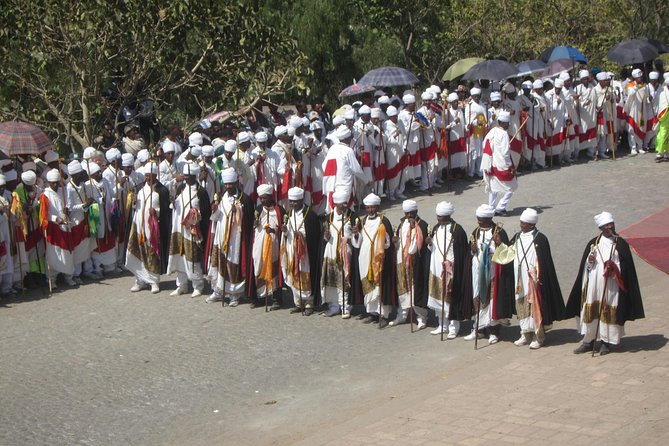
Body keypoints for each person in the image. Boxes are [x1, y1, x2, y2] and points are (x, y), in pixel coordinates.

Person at [565, 212, 644, 355]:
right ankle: (588, 341)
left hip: (611, 285)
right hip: (594, 284)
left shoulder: (620, 243)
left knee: (608, 311)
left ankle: (606, 342)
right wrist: (589, 262)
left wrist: (614, 268)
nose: (609, 227)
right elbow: (586, 267)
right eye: (606, 225)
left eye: (611, 224)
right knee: (591, 311)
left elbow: (626, 267)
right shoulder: (593, 243)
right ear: (600, 227)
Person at [492, 208, 565, 349]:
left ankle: (539, 336)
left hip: (533, 278)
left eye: (524, 223)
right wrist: (500, 243)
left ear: (531, 224)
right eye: (521, 222)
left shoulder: (540, 239)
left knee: (534, 306)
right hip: (519, 277)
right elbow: (510, 251)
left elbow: (544, 261)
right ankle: (525, 334)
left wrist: (536, 274)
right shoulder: (518, 236)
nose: (521, 225)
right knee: (521, 304)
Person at [463, 204, 514, 344]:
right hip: (477, 270)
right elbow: (471, 251)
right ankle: (478, 329)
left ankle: (493, 331)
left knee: (492, 300)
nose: (479, 221)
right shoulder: (476, 232)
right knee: (477, 298)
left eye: (482, 219)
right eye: (478, 218)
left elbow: (506, 253)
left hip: (493, 271)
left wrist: (498, 244)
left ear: (489, 218)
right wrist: (472, 249)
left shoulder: (499, 232)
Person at [205, 168, 255, 306]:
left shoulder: (244, 199)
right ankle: (218, 290)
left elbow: (248, 221)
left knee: (233, 262)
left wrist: (238, 211)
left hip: (236, 238)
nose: (228, 187)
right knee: (220, 261)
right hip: (221, 235)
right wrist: (214, 210)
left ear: (236, 183)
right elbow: (215, 218)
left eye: (230, 184)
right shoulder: (221, 197)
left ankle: (234, 294)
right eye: (226, 184)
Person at [125, 162, 171, 294]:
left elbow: (165, 211)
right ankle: (140, 280)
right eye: (146, 176)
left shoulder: (162, 191)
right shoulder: (138, 189)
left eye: (150, 176)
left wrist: (156, 212)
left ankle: (154, 281)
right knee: (139, 252)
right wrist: (133, 203)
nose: (148, 178)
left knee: (152, 253)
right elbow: (134, 208)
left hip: (153, 228)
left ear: (156, 175)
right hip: (139, 226)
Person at [167, 162, 210, 297]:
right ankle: (182, 284)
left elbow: (206, 211)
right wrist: (173, 203)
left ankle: (198, 285)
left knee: (193, 258)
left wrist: (196, 214)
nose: (186, 179)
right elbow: (176, 205)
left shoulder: (201, 192)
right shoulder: (181, 188)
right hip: (179, 228)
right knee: (180, 257)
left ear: (194, 176)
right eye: (185, 176)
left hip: (192, 230)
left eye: (189, 176)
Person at [351, 193, 395, 328]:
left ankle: (382, 314)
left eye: (372, 208)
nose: (370, 210)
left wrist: (385, 239)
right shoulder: (362, 222)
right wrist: (356, 235)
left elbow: (388, 243)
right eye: (368, 208)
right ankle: (372, 313)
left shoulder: (383, 221)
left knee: (379, 286)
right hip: (364, 258)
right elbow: (356, 244)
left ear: (377, 207)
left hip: (378, 259)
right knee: (368, 285)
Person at [426, 201, 468, 338]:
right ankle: (442, 325)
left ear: (448, 216)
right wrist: (429, 243)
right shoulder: (436, 228)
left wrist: (451, 264)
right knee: (439, 299)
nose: (438, 219)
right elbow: (434, 249)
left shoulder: (458, 230)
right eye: (438, 216)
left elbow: (461, 253)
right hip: (437, 269)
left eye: (441, 217)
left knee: (450, 300)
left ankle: (453, 328)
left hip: (452, 270)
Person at [280, 187, 321, 315]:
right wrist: (285, 231)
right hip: (292, 250)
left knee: (305, 274)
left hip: (305, 253)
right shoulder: (289, 213)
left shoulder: (310, 215)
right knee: (293, 274)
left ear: (301, 200)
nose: (292, 204)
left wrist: (302, 235)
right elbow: (287, 234)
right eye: (291, 201)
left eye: (295, 202)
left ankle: (309, 303)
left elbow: (314, 235)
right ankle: (298, 303)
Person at [389, 199, 429, 329]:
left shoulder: (422, 224)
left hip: (416, 262)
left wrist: (414, 229)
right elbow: (398, 242)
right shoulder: (402, 224)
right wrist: (395, 241)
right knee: (403, 289)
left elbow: (419, 245)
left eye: (411, 213)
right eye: (407, 213)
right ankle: (402, 314)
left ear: (416, 211)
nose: (409, 216)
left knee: (415, 290)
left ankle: (421, 317)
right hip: (402, 261)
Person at [320, 190, 356, 318]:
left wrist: (352, 237)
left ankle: (346, 307)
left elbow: (358, 238)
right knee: (332, 280)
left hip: (345, 252)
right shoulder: (329, 217)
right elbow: (325, 237)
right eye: (342, 204)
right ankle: (334, 305)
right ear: (336, 205)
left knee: (344, 280)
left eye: (345, 204)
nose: (344, 206)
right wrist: (326, 236)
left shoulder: (352, 216)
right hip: (330, 252)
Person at [39, 169, 76, 288]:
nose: (56, 185)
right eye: (53, 183)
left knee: (68, 253)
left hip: (66, 226)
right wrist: (55, 218)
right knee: (54, 254)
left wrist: (67, 210)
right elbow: (44, 215)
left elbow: (68, 205)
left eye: (57, 182)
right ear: (49, 182)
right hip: (54, 228)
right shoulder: (45, 195)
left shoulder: (62, 191)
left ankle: (69, 277)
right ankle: (52, 279)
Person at [321, 125, 369, 212]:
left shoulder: (332, 149)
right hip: (344, 185)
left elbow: (324, 166)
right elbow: (356, 169)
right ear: (346, 138)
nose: (351, 138)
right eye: (350, 136)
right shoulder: (348, 150)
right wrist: (366, 180)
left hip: (331, 185)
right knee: (345, 210)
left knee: (333, 210)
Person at [252, 184, 285, 310]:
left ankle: (276, 298)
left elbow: (283, 228)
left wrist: (274, 231)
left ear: (270, 197)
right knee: (259, 267)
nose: (263, 200)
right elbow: (253, 227)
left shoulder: (279, 210)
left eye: (265, 198)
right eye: (261, 198)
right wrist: (254, 224)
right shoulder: (258, 209)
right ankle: (261, 297)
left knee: (274, 270)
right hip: (259, 245)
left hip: (274, 246)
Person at [481, 111, 517, 217]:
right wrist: (510, 166)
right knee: (512, 186)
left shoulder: (492, 131)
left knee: (493, 186)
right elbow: (505, 153)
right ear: (504, 123)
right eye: (507, 123)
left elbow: (485, 144)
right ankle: (500, 207)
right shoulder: (504, 134)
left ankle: (491, 207)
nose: (508, 125)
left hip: (491, 164)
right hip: (502, 165)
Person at [0, 174, 15, 298]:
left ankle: (7, 288)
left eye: (3, 187)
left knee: (9, 260)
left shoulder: (7, 196)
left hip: (9, 232)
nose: (2, 189)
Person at [655, 77, 669, 162]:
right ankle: (659, 153)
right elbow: (661, 106)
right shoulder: (662, 94)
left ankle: (667, 153)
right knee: (663, 135)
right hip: (665, 118)